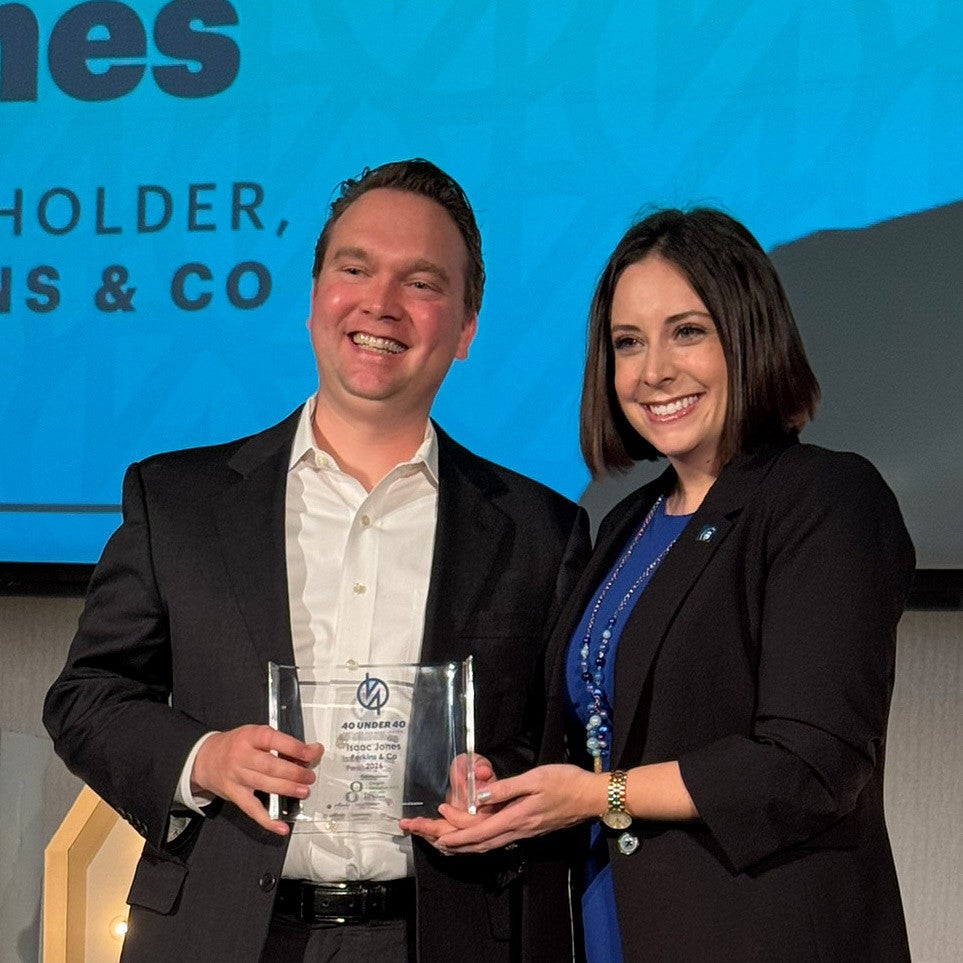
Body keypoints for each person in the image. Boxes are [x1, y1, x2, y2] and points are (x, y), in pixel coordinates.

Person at [43, 158, 590, 963]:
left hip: (442, 934)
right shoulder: (179, 500)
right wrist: (205, 757)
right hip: (218, 936)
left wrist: (495, 783)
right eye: (355, 268)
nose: (380, 303)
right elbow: (87, 698)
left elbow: (564, 741)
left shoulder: (541, 530)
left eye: (422, 282)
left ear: (466, 327)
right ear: (314, 297)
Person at [402, 208, 915, 961]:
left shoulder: (825, 497)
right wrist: (502, 780)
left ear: (748, 332)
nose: (653, 372)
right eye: (627, 343)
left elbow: (809, 764)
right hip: (608, 922)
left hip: (758, 931)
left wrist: (598, 795)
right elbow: (597, 735)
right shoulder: (626, 523)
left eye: (687, 331)